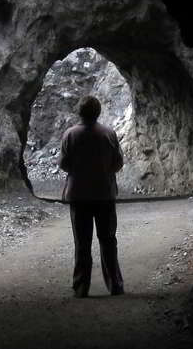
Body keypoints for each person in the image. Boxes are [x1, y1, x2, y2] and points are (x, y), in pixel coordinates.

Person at [59, 95, 125, 298]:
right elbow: (118, 163)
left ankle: (81, 287)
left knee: (82, 243)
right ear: (98, 112)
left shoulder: (70, 134)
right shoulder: (109, 133)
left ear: (79, 112)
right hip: (104, 194)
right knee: (108, 241)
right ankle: (115, 285)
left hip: (79, 196)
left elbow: (63, 164)